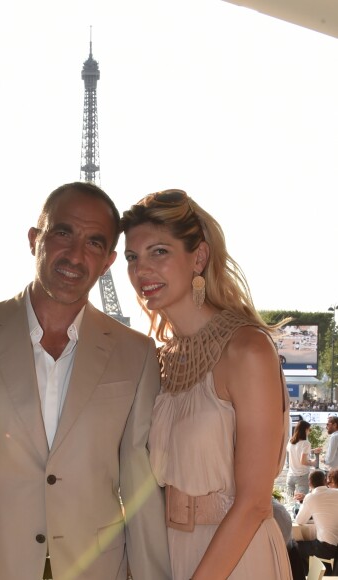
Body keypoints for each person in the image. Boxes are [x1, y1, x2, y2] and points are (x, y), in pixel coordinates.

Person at [0, 182, 170, 580]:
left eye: (95, 243)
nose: (76, 254)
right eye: (63, 233)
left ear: (108, 262)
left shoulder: (136, 354)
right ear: (35, 239)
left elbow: (140, 489)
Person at [120, 189, 292, 580]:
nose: (142, 269)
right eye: (133, 257)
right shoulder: (158, 360)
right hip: (166, 555)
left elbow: (254, 503)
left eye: (159, 252)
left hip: (236, 558)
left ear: (198, 257)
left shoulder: (247, 349)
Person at [295, 469, 338, 575]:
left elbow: (299, 520)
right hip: (334, 545)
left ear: (309, 483)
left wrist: (307, 500)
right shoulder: (336, 492)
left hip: (326, 548)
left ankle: (307, 576)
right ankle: (326, 573)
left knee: (294, 548)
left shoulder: (311, 497)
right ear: (325, 481)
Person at [287, 420, 319, 499]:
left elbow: (296, 453)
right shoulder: (306, 443)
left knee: (289, 499)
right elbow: (303, 461)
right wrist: (313, 462)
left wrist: (312, 451)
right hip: (302, 475)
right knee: (302, 501)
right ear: (305, 429)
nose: (309, 432)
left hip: (290, 475)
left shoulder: (290, 442)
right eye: (309, 429)